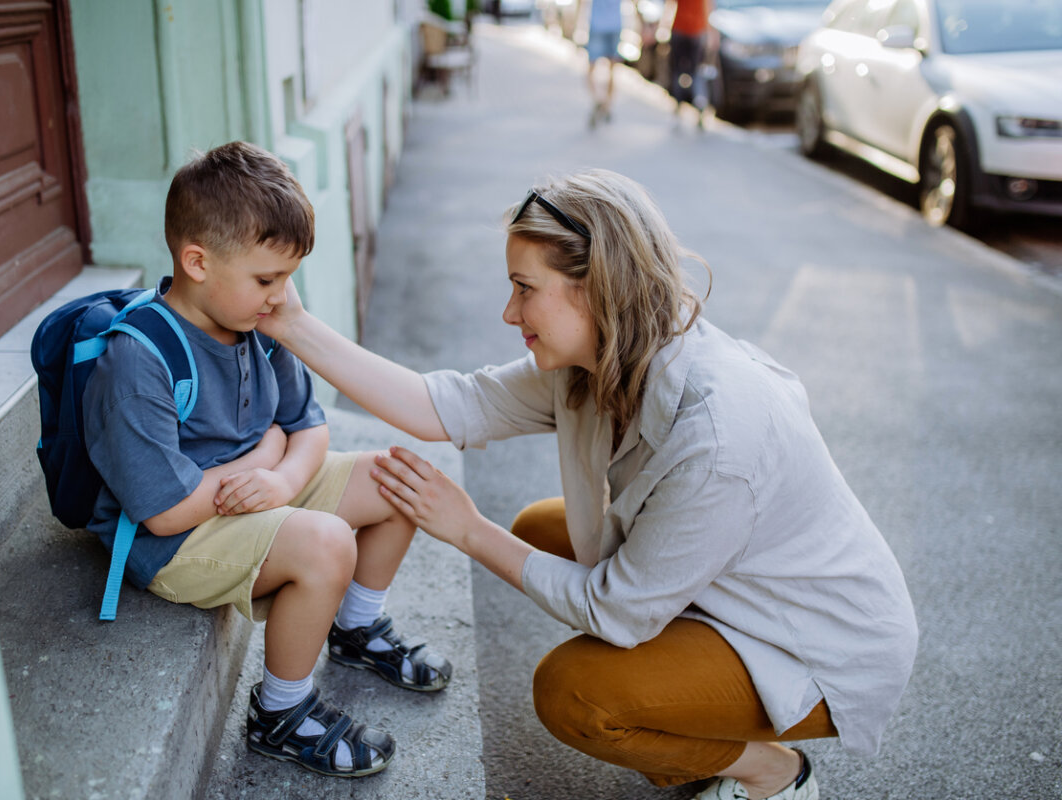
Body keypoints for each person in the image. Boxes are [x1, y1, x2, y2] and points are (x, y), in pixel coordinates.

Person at [256, 169, 919, 799]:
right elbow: (445, 406)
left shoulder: (718, 439)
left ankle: (773, 770)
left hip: (818, 642)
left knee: (575, 694)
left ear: (596, 287)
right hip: (740, 591)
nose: (509, 311)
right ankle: (690, 699)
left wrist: (467, 530)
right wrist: (289, 323)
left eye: (524, 288)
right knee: (544, 532)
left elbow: (616, 613)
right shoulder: (597, 355)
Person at [82, 141, 451, 779]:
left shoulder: (258, 320)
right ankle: (281, 714)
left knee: (402, 479)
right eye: (266, 278)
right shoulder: (137, 361)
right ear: (197, 262)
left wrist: (279, 473)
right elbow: (166, 513)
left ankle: (355, 628)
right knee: (328, 543)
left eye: (287, 277)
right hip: (176, 537)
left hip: (256, 492)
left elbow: (309, 429)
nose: (282, 297)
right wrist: (262, 460)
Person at [666, 0, 712, 126]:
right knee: (696, 72)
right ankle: (699, 108)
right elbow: (708, 7)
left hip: (680, 28)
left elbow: (670, 4)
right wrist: (710, 33)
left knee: (678, 71)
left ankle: (678, 107)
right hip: (696, 30)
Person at [585, 0, 623, 127]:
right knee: (612, 70)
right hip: (614, 24)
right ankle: (605, 104)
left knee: (592, 68)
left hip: (598, 25)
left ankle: (599, 101)